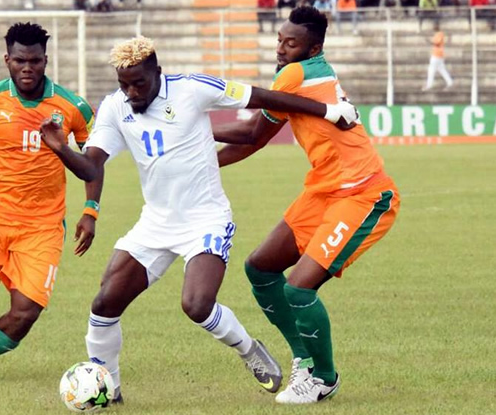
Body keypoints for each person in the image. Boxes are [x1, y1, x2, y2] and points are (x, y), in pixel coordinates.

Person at [38, 36, 358, 401]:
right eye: (124, 85)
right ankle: (110, 390)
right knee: (104, 305)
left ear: (157, 72)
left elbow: (265, 97)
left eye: (139, 83)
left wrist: (329, 111)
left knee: (196, 305)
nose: (132, 92)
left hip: (206, 219)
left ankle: (249, 349)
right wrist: (62, 148)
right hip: (155, 224)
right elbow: (91, 168)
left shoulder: (192, 88)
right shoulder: (114, 107)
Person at [213, 6, 400, 404]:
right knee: (261, 268)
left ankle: (324, 378)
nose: (280, 48)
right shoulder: (307, 72)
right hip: (325, 190)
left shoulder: (294, 75)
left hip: (362, 193)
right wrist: (198, 160)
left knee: (299, 287)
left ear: (313, 47)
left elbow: (249, 132)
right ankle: (304, 357)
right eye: (279, 39)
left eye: (290, 42)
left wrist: (190, 128)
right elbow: (257, 138)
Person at [0, 22, 96, 382]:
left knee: (27, 311)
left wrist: (90, 209)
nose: (26, 68)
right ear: (7, 60)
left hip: (43, 225)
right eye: (19, 61)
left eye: (34, 61)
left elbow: (93, 165)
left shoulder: (73, 107)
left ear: (46, 61)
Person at [422, 22, 453, 91]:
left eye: (435, 26)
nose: (433, 27)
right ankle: (450, 82)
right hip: (439, 55)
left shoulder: (439, 34)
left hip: (437, 55)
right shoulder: (437, 34)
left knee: (431, 70)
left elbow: (437, 43)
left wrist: (428, 41)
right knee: (442, 69)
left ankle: (429, 85)